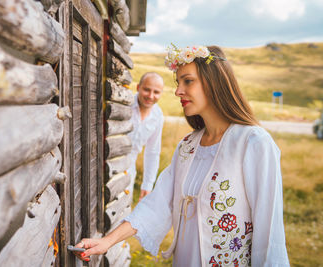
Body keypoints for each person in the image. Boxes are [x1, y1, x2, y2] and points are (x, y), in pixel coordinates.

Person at [74, 45, 290, 266]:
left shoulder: (253, 142)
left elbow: (269, 233)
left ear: (214, 82)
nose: (178, 91)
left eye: (188, 81)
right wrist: (107, 242)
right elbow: (158, 203)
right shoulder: (187, 146)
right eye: (178, 83)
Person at [127, 72, 164, 201]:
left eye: (156, 92)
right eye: (147, 90)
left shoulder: (158, 116)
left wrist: (148, 184)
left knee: (122, 212)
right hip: (107, 165)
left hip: (129, 170)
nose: (151, 96)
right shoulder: (124, 105)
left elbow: (152, 152)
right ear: (138, 88)